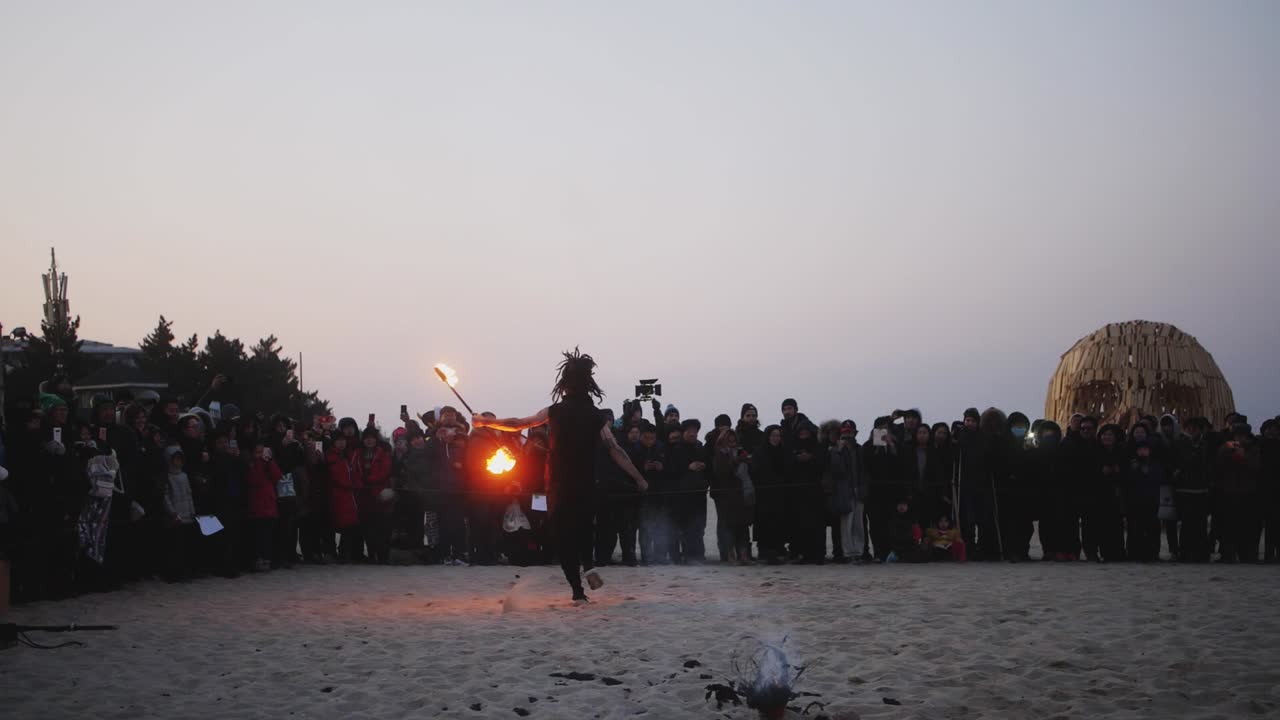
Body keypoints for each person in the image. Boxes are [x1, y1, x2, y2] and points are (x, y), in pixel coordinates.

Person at [473, 348, 647, 604]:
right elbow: (615, 449)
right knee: (585, 528)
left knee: (563, 533)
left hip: (559, 483)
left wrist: (485, 422)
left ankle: (577, 590)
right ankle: (588, 565)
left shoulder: (554, 411)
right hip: (587, 482)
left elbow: (518, 424)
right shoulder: (597, 416)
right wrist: (639, 477)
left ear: (564, 384)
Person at [1215, 423, 1261, 563]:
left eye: (1242, 436)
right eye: (1237, 436)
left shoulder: (1253, 449)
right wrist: (1226, 449)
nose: (1239, 439)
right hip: (1230, 491)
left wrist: (1244, 456)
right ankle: (1228, 554)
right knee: (1229, 525)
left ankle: (1246, 555)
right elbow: (1219, 464)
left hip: (1247, 492)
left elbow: (1257, 467)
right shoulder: (1227, 447)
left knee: (1246, 526)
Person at [1173, 417, 1213, 562]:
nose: (1191, 430)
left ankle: (1201, 553)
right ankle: (1185, 553)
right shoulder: (1180, 443)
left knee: (1200, 523)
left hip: (1201, 488)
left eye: (1195, 427)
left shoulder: (1205, 444)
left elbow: (1206, 463)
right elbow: (1180, 461)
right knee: (1187, 523)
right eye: (1189, 427)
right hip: (1185, 488)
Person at [710, 428, 753, 563]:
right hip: (727, 495)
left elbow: (749, 469)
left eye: (734, 441)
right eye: (729, 441)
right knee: (729, 526)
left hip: (742, 493)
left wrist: (746, 460)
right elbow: (721, 472)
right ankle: (730, 554)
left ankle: (744, 553)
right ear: (723, 442)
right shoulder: (719, 454)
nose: (732, 444)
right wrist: (736, 461)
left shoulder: (741, 451)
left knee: (743, 526)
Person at [829, 420, 868, 564]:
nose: (847, 435)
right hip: (845, 492)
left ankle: (859, 551)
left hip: (859, 490)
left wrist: (864, 488)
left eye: (850, 432)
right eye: (844, 432)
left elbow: (865, 471)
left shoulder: (860, 449)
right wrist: (839, 451)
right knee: (846, 524)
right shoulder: (835, 450)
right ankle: (848, 553)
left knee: (859, 524)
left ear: (855, 433)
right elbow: (836, 470)